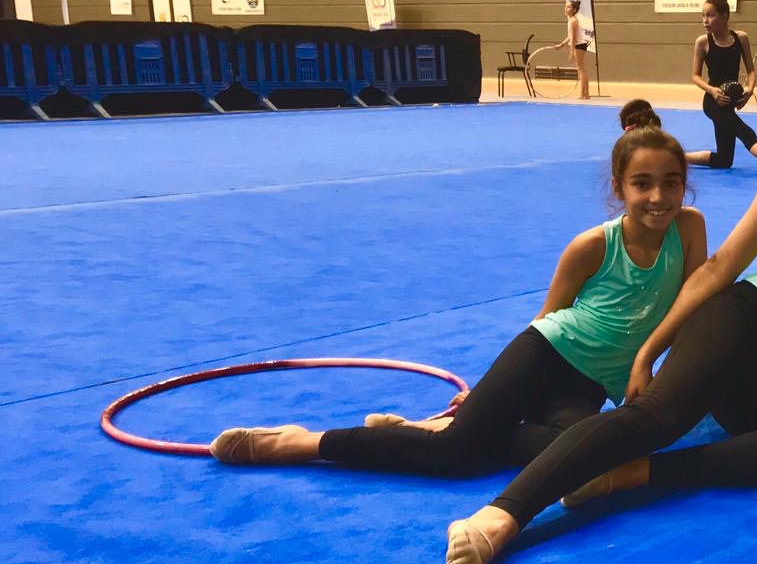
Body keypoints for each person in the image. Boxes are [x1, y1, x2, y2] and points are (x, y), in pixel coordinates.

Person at [443, 42, 757, 564]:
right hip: (742, 323)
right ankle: (500, 518)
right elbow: (719, 267)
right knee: (655, 421)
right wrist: (650, 349)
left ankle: (632, 473)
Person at [208, 125, 706, 475]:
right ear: (619, 187)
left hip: (592, 385)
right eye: (642, 184)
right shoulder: (593, 245)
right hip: (549, 354)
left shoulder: (690, 228)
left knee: (582, 454)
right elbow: (546, 318)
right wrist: (493, 388)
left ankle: (431, 428)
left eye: (671, 183)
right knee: (453, 454)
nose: (658, 198)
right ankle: (303, 441)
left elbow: (692, 304)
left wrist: (662, 368)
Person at [685, 0, 757, 170]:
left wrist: (749, 91)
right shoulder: (703, 42)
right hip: (713, 102)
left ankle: (680, 158)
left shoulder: (741, 38)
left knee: (724, 160)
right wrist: (712, 90)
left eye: (710, 15)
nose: (705, 20)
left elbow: (751, 71)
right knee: (745, 132)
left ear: (724, 17)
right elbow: (695, 76)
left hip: (730, 101)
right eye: (703, 16)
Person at [552, 0, 590, 100]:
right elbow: (569, 36)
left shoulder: (573, 21)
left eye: (568, 7)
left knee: (581, 70)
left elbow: (573, 39)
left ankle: (583, 94)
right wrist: (561, 45)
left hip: (579, 45)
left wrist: (571, 52)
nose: (565, 8)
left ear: (574, 10)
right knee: (582, 70)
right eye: (565, 6)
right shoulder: (571, 20)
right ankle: (586, 94)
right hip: (579, 45)